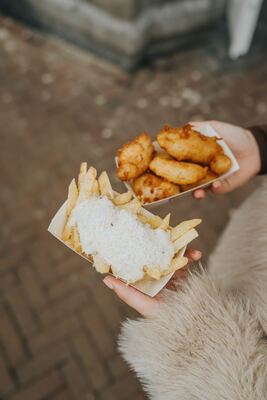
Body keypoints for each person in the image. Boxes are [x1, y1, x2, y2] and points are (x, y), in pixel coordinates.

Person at [103, 121, 267, 399]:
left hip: (232, 347)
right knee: (224, 281)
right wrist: (260, 146)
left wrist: (192, 328)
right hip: (254, 241)